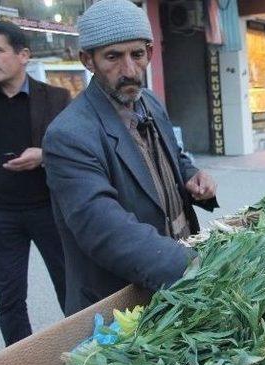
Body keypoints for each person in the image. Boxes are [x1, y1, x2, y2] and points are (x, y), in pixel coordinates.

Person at [43, 0, 218, 315]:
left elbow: (174, 157)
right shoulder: (69, 135)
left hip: (176, 279)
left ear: (149, 54)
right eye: (113, 56)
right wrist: (200, 267)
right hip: (123, 299)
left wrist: (193, 175)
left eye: (137, 55)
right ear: (88, 60)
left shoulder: (149, 101)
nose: (128, 70)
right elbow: (105, 229)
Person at [0, 21, 69, 346]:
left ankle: (84, 355)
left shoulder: (56, 98)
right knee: (10, 299)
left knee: (70, 288)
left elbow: (77, 150)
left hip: (49, 211)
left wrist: (44, 154)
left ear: (23, 55)